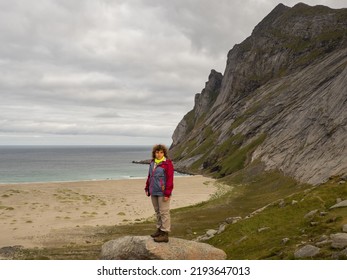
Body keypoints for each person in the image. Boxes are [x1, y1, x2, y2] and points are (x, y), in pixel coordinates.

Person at [145, 144, 174, 242]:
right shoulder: (152, 163)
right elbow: (150, 177)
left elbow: (170, 180)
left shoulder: (167, 164)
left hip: (163, 192)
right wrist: (147, 188)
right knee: (157, 212)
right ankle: (159, 230)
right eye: (157, 152)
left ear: (164, 153)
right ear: (154, 153)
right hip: (153, 191)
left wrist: (167, 193)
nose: (159, 154)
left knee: (164, 212)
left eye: (161, 152)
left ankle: (165, 234)